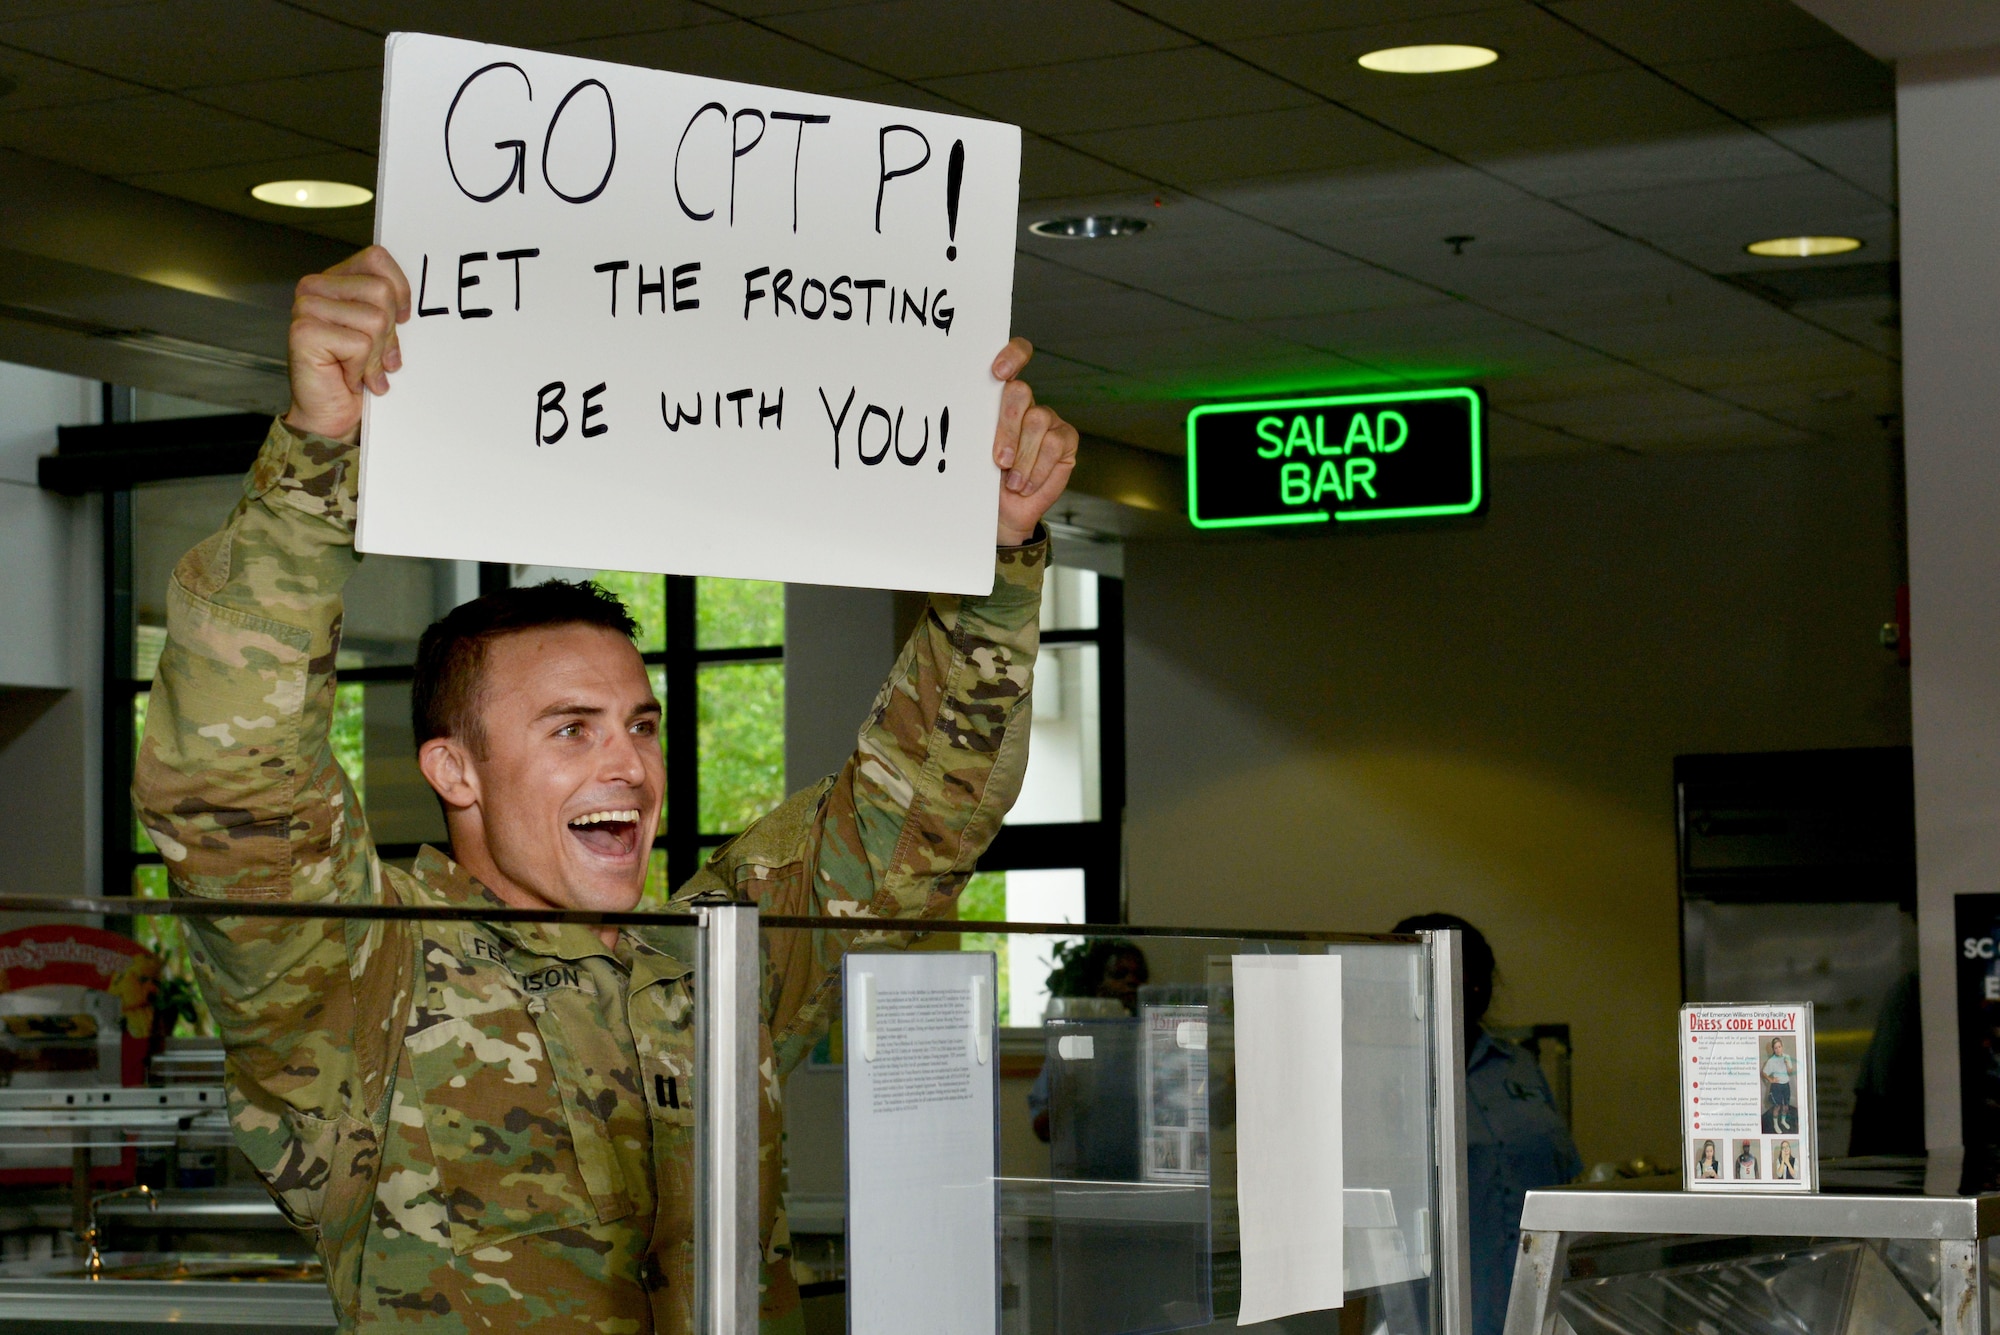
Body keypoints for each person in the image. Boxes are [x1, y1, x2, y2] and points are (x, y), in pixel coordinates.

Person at [131, 247, 1080, 1334]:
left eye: (638, 725)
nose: (625, 763)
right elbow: (230, 782)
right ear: (454, 770)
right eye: (569, 730)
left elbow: (912, 823)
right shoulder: (362, 974)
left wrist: (993, 561)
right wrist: (318, 461)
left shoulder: (713, 966)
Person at [1393, 913, 1581, 1335]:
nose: (1476, 986)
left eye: (1482, 973)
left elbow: (1565, 1178)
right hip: (1440, 1311)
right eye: (1460, 971)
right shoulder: (1390, 1072)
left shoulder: (1517, 1064)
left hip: (1535, 1303)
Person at [1027, 939, 1149, 1143]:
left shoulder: (1153, 1040)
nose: (1132, 981)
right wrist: (1068, 1093)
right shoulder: (1076, 1043)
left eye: (1139, 976)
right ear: (1098, 986)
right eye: (1119, 974)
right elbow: (1042, 1129)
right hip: (1090, 1165)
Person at [1763, 1037, 1797, 1134]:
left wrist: (1787, 1064)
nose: (1778, 1049)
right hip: (1776, 1086)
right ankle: (1775, 1124)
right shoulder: (1771, 1061)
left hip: (1785, 1085)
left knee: (1786, 1106)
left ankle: (1783, 1120)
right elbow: (1764, 1073)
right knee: (1777, 1107)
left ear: (1782, 1047)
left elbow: (1790, 1072)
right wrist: (1770, 1079)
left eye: (1779, 1047)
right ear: (1773, 1049)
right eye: (1775, 1048)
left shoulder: (1787, 1057)